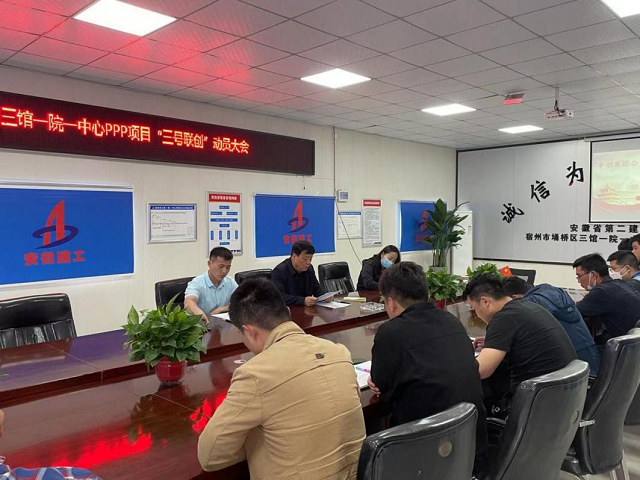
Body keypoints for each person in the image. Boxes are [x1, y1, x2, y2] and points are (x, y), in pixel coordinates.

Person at [197, 278, 365, 478]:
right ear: (287, 311)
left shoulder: (255, 374)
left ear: (249, 331)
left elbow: (210, 456)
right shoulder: (339, 352)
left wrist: (257, 437)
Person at [368, 262, 488, 475]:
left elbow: (382, 387)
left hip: (425, 457)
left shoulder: (391, 332)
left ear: (391, 302)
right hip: (470, 450)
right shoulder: (451, 321)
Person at [463, 274, 576, 414]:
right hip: (563, 398)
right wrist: (495, 341)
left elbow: (481, 370)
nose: (476, 314)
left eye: (474, 308)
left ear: (485, 302)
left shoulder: (504, 318)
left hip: (537, 404)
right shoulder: (527, 306)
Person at [502, 276, 600, 375]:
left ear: (514, 298)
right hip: (589, 361)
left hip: (567, 371)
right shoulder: (556, 291)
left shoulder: (530, 304)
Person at [573, 253, 640, 340]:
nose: (579, 281)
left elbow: (572, 313)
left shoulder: (601, 292)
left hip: (622, 343)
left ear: (592, 274)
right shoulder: (621, 284)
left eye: (579, 276)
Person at [185, 247, 238, 323]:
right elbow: (189, 302)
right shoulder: (197, 283)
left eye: (228, 267)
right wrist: (201, 315)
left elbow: (241, 302)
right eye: (221, 267)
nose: (224, 271)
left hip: (220, 325)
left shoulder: (230, 282)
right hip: (198, 325)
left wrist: (221, 309)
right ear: (209, 264)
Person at [271, 241, 327, 306]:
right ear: (294, 256)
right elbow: (279, 297)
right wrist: (302, 301)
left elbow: (316, 288)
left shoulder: (309, 268)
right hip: (288, 310)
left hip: (307, 309)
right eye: (305, 259)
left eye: (310, 259)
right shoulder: (279, 272)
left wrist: (325, 296)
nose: (308, 262)